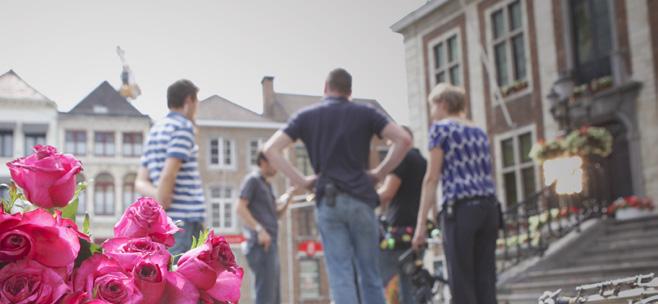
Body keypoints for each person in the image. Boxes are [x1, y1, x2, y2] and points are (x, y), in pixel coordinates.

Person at [263, 68, 412, 304]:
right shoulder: (366, 113)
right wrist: (378, 173)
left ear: (325, 88)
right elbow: (403, 139)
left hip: (329, 202)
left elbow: (271, 149)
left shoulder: (307, 116)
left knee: (341, 275)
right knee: (370, 275)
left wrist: (302, 181)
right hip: (362, 201)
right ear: (350, 91)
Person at [412, 83, 499, 304]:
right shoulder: (478, 131)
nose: (432, 113)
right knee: (486, 280)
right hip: (489, 209)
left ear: (442, 104)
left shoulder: (441, 129)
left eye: (432, 107)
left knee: (462, 281)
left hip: (461, 210)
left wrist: (421, 224)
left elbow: (432, 178)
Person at [135, 79, 205, 256]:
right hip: (185, 220)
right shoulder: (182, 127)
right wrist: (163, 197)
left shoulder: (155, 131)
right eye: (197, 103)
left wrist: (158, 197)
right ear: (189, 101)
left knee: (168, 272)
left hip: (165, 221)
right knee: (184, 277)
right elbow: (169, 174)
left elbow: (140, 181)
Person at [377, 126, 427, 304]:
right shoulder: (423, 161)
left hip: (398, 233)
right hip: (418, 231)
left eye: (391, 144)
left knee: (380, 281)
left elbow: (387, 193)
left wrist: (366, 197)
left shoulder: (401, 158)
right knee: (410, 287)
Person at [236, 151, 294, 304]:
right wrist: (259, 230)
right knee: (266, 296)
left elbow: (276, 214)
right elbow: (240, 207)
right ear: (263, 161)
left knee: (274, 296)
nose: (277, 167)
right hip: (260, 245)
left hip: (271, 245)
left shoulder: (267, 185)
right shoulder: (253, 180)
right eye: (275, 162)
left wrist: (288, 198)